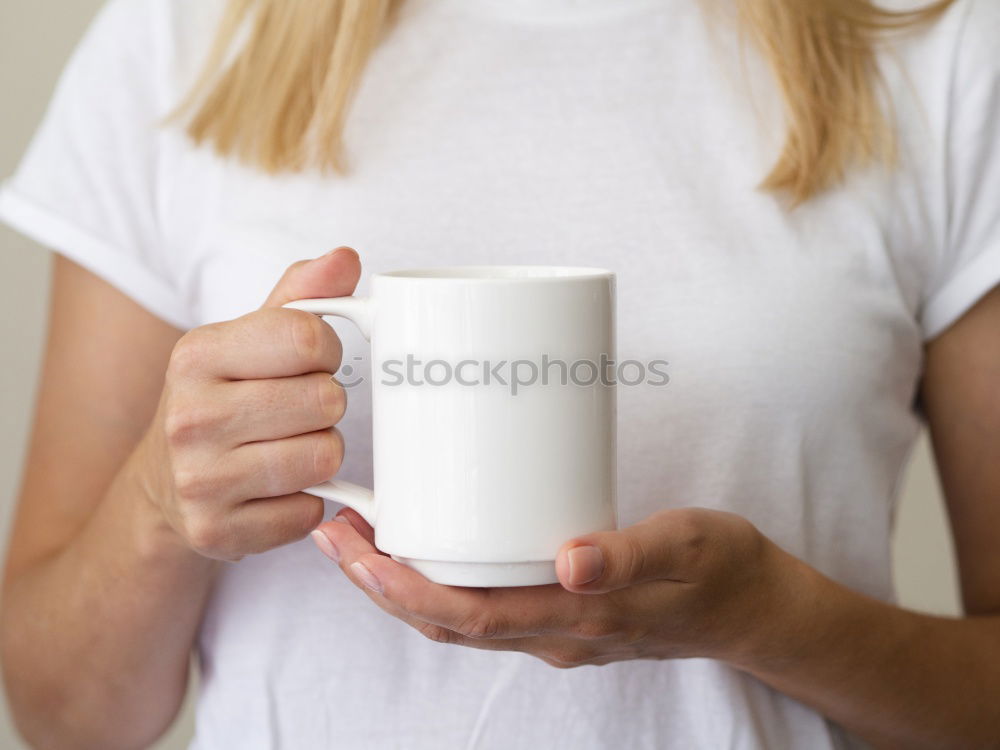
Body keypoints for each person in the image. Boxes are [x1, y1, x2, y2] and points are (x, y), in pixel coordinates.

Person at [1, 0, 998, 747]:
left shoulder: (931, 44)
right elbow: (62, 713)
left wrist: (765, 619)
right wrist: (154, 506)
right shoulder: (183, 34)